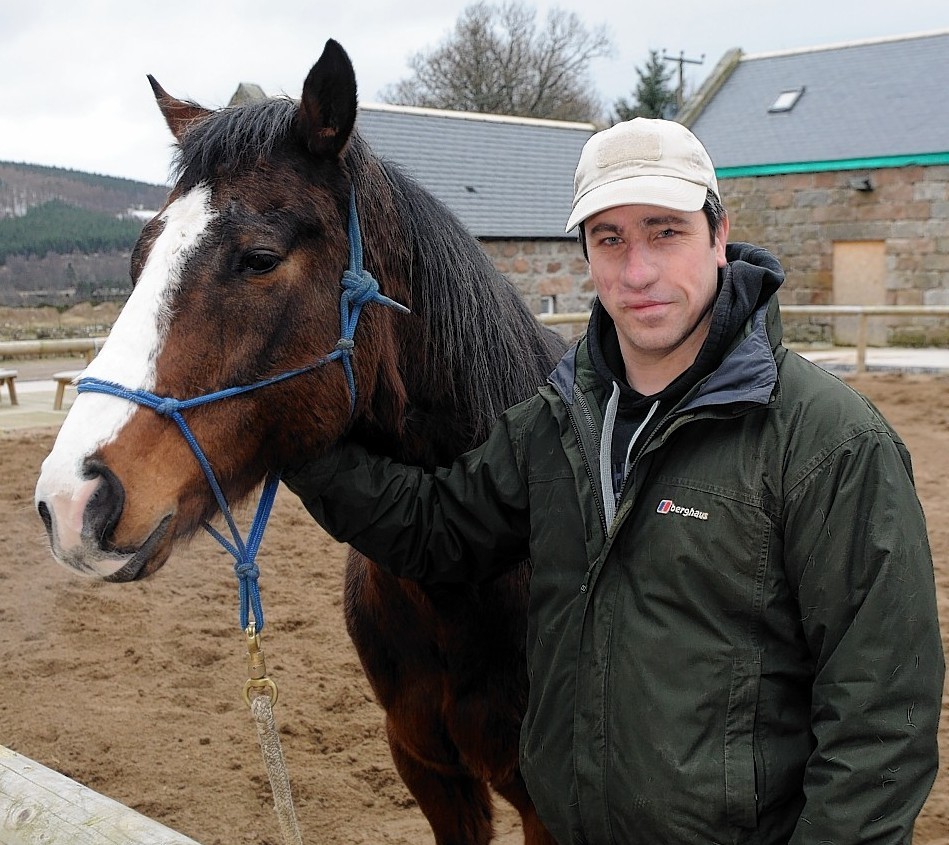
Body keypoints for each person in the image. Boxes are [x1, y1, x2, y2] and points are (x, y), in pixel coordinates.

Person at [284, 118, 944, 843]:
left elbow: (880, 716)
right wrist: (294, 440)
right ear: (587, 255)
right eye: (610, 239)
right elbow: (438, 527)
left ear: (718, 234)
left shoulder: (832, 444)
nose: (637, 272)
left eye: (665, 232)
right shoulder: (559, 419)